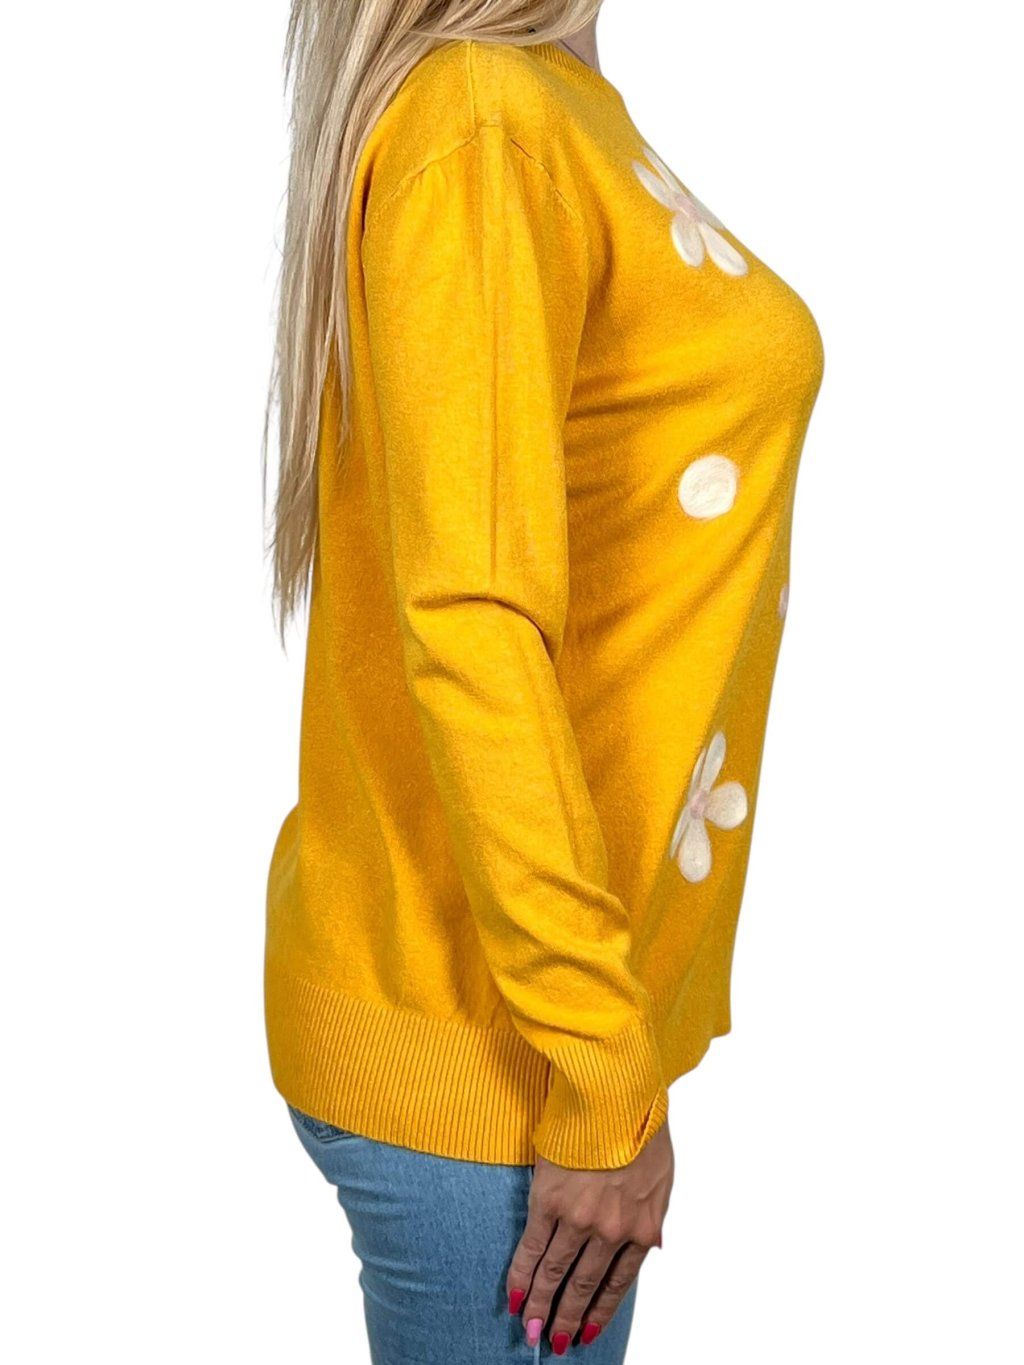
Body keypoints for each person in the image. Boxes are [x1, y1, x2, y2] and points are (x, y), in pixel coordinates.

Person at [264, 2, 824, 1360]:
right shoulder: (483, 116)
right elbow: (472, 625)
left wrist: (606, 1052)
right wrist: (594, 1070)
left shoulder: (548, 112)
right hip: (498, 1061)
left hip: (541, 1033)